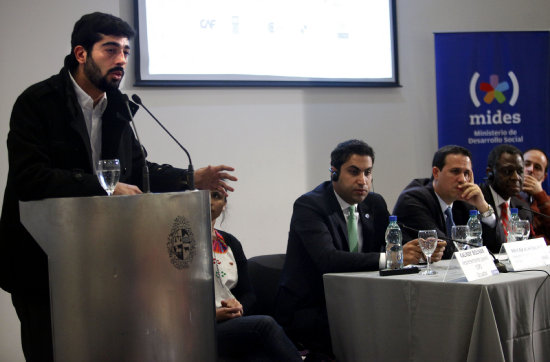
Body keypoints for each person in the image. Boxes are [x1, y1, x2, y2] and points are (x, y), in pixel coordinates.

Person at [0, 12, 236, 361]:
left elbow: (138, 173)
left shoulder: (120, 108)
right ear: (81, 54)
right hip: (43, 260)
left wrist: (190, 178)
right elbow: (31, 176)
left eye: (125, 51)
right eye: (110, 50)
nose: (121, 60)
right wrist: (104, 187)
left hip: (103, 260)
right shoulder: (38, 102)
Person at [275, 139, 445, 359]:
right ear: (333, 173)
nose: (362, 181)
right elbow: (328, 259)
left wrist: (420, 253)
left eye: (368, 173)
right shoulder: (309, 206)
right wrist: (394, 258)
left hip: (360, 301)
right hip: (312, 308)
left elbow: (395, 245)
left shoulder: (374, 203)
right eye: (354, 172)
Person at [210, 191, 302, 361]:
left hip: (230, 321)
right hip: (199, 327)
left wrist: (238, 307)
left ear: (224, 205)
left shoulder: (230, 243)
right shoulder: (178, 243)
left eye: (216, 196)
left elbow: (248, 294)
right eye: (203, 194)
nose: (209, 201)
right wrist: (213, 315)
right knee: (264, 325)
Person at [393, 145, 497, 259]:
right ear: (436, 172)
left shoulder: (464, 201)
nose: (462, 179)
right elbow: (445, 249)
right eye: (455, 171)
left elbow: (494, 243)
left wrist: (482, 206)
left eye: (466, 173)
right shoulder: (413, 200)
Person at [478, 144, 532, 253]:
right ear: (490, 173)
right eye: (508, 171)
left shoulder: (523, 208)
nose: (516, 177)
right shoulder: (475, 202)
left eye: (520, 171)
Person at [521, 148, 550, 244]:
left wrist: (540, 195)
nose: (530, 169)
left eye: (537, 167)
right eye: (526, 164)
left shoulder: (546, 201)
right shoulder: (506, 198)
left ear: (544, 177)